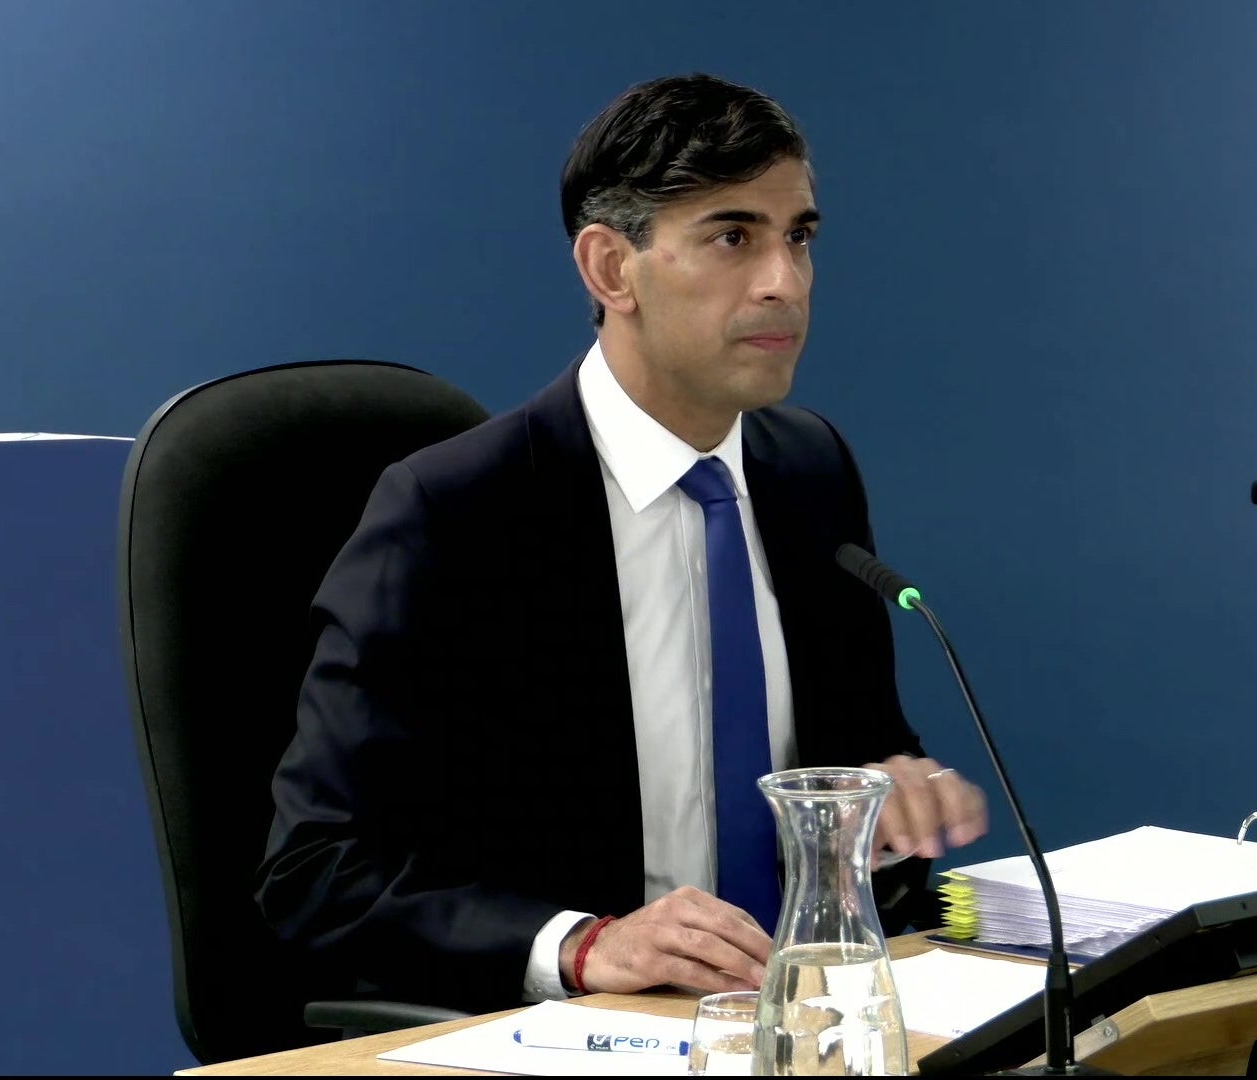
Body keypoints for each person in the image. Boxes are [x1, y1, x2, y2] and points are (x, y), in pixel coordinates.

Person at [255, 72, 989, 1013]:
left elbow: (860, 752)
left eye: (799, 237)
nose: (785, 281)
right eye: (733, 237)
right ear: (611, 269)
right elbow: (318, 868)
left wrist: (887, 799)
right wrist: (582, 946)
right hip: (573, 1030)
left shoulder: (810, 471)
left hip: (797, 1017)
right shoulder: (453, 513)